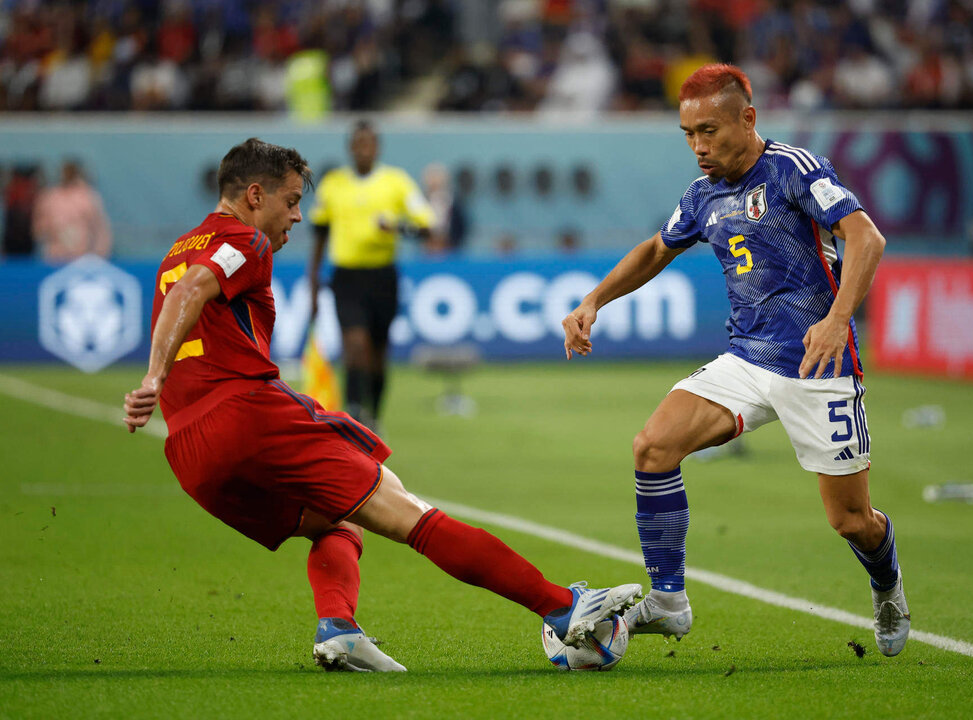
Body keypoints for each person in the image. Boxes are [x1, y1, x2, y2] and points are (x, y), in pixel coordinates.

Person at [123, 137, 640, 672]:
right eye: (292, 200)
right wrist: (153, 378)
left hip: (189, 453)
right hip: (247, 416)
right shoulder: (244, 242)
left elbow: (182, 293)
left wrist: (158, 386)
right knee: (405, 509)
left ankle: (339, 628)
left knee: (338, 523)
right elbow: (190, 294)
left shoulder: (181, 247)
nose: (298, 216)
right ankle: (562, 606)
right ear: (255, 195)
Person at [561, 64, 911, 658]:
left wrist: (835, 320)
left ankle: (887, 585)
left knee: (852, 522)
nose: (699, 146)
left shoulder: (791, 169)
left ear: (747, 119)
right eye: (688, 134)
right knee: (653, 446)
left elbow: (866, 238)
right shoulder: (703, 194)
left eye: (710, 131)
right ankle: (668, 599)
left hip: (817, 368)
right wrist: (594, 299)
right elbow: (655, 249)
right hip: (746, 359)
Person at [308, 121, 433, 428]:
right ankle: (353, 415)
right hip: (347, 277)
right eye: (359, 144)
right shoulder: (333, 184)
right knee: (355, 345)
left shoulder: (396, 182)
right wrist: (312, 280)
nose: (364, 150)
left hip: (382, 277)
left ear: (377, 148)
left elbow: (427, 225)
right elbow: (320, 234)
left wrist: (397, 226)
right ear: (351, 148)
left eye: (370, 144)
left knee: (377, 352)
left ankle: (374, 415)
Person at [32, 159, 112, 262]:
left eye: (71, 172)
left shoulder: (88, 196)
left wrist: (100, 256)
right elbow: (39, 230)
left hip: (82, 257)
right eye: (66, 172)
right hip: (55, 256)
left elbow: (101, 230)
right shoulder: (50, 197)